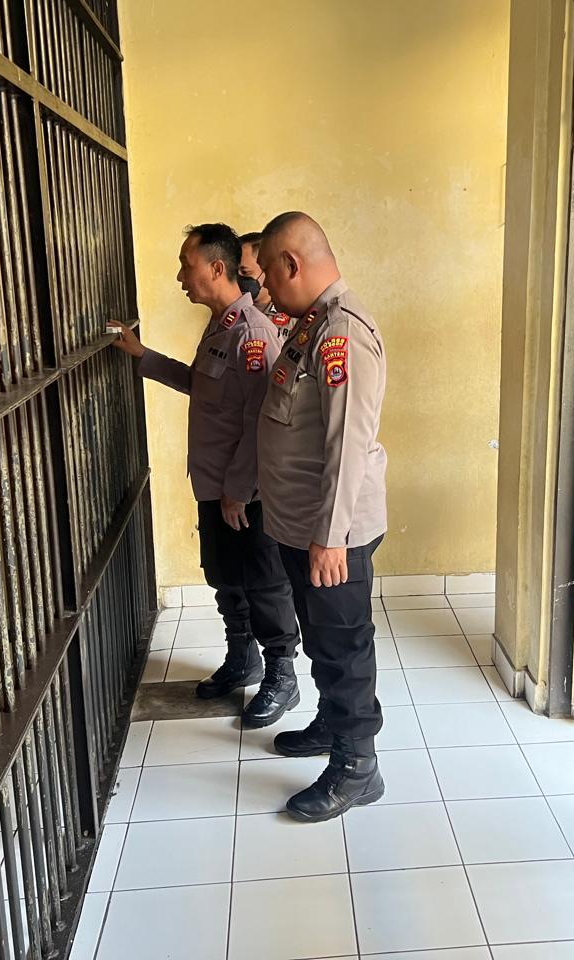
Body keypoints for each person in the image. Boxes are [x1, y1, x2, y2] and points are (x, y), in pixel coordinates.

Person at [108, 223, 302, 728]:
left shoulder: (253, 334)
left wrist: (238, 491)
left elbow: (260, 421)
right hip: (216, 484)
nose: (180, 276)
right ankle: (243, 658)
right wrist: (142, 355)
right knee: (225, 577)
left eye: (186, 265)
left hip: (246, 491)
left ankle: (282, 675)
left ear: (217, 268)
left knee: (264, 583)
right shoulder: (221, 325)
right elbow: (202, 384)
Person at [255, 211, 389, 822]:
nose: (265, 286)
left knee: (342, 647)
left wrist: (331, 537)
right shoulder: (310, 327)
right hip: (304, 524)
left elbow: (348, 444)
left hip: (332, 531)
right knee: (321, 638)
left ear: (292, 263)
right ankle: (335, 726)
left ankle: (357, 767)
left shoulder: (341, 334)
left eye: (268, 272)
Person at [238, 231, 293, 338]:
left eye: (245, 272)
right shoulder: (229, 312)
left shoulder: (294, 315)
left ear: (268, 270)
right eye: (233, 272)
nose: (237, 278)